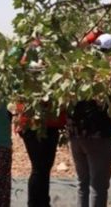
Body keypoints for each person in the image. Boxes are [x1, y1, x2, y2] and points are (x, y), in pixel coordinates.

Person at [68, 33, 111, 207]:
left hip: (75, 133)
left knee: (82, 184)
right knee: (98, 187)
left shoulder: (79, 69)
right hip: (98, 135)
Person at [14, 42, 66, 207]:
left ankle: (41, 202)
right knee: (40, 169)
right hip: (39, 126)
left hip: (36, 125)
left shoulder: (24, 72)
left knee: (42, 168)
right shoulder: (37, 77)